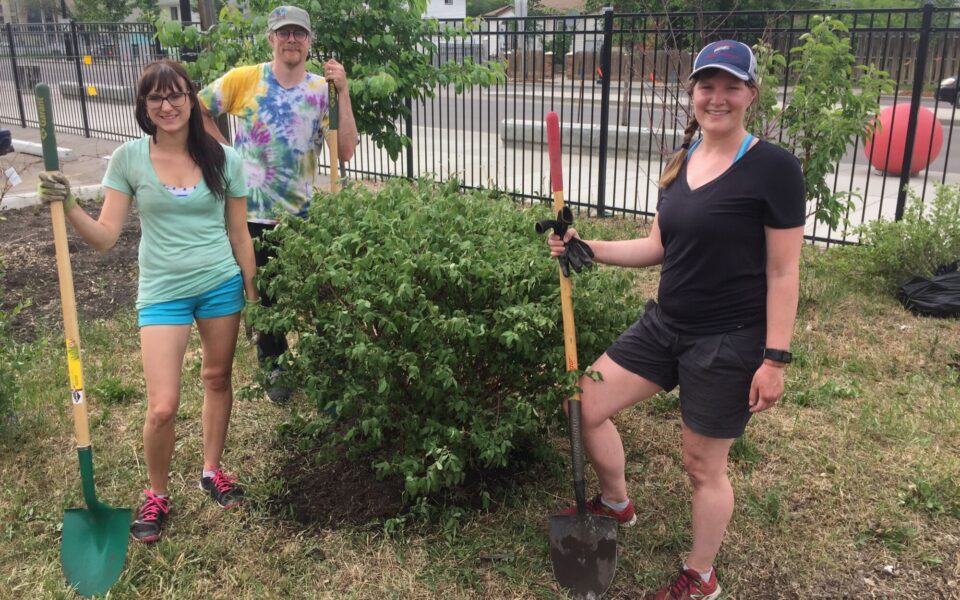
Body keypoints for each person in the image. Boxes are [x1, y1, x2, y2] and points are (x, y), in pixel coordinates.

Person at [547, 40, 805, 599]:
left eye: (731, 86)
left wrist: (775, 358)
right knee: (586, 403)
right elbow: (656, 246)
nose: (717, 98)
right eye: (706, 86)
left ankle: (701, 576)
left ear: (751, 95)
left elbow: (785, 274)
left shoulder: (774, 168)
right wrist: (583, 245)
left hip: (729, 340)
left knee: (700, 466)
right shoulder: (684, 160)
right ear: (692, 94)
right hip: (665, 325)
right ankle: (617, 502)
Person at [38, 59, 257, 543]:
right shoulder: (129, 159)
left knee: (218, 378)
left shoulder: (225, 159)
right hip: (162, 292)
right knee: (162, 405)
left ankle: (211, 471)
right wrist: (69, 203)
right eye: (156, 97)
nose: (168, 105)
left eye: (177, 94)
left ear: (191, 99)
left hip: (220, 285)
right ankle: (156, 494)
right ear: (143, 106)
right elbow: (105, 237)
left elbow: (239, 233)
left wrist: (252, 286)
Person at [198, 4, 359, 403]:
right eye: (284, 33)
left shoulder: (320, 90)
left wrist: (344, 92)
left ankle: (324, 367)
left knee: (316, 295)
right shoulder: (244, 79)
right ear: (271, 38)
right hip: (249, 216)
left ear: (308, 42)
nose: (291, 39)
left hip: (300, 217)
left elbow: (346, 151)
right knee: (264, 296)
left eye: (299, 34)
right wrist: (224, 153)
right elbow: (199, 108)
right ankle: (276, 368)